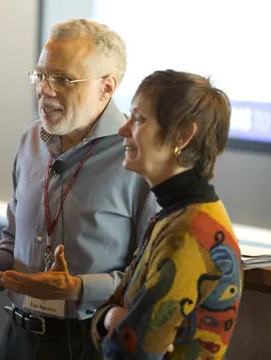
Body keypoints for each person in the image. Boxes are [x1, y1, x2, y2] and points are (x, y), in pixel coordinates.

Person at [0, 19, 159, 360]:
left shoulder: (139, 156)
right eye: (41, 75)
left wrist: (78, 289)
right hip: (18, 337)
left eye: (62, 79)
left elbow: (152, 276)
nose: (45, 90)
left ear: (107, 86)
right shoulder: (31, 141)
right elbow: (14, 242)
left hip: (91, 342)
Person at [91, 70, 243, 359]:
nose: (123, 130)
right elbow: (110, 319)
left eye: (139, 119)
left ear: (183, 135)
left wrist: (112, 319)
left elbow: (128, 351)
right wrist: (112, 318)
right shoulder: (175, 215)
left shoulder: (189, 231)